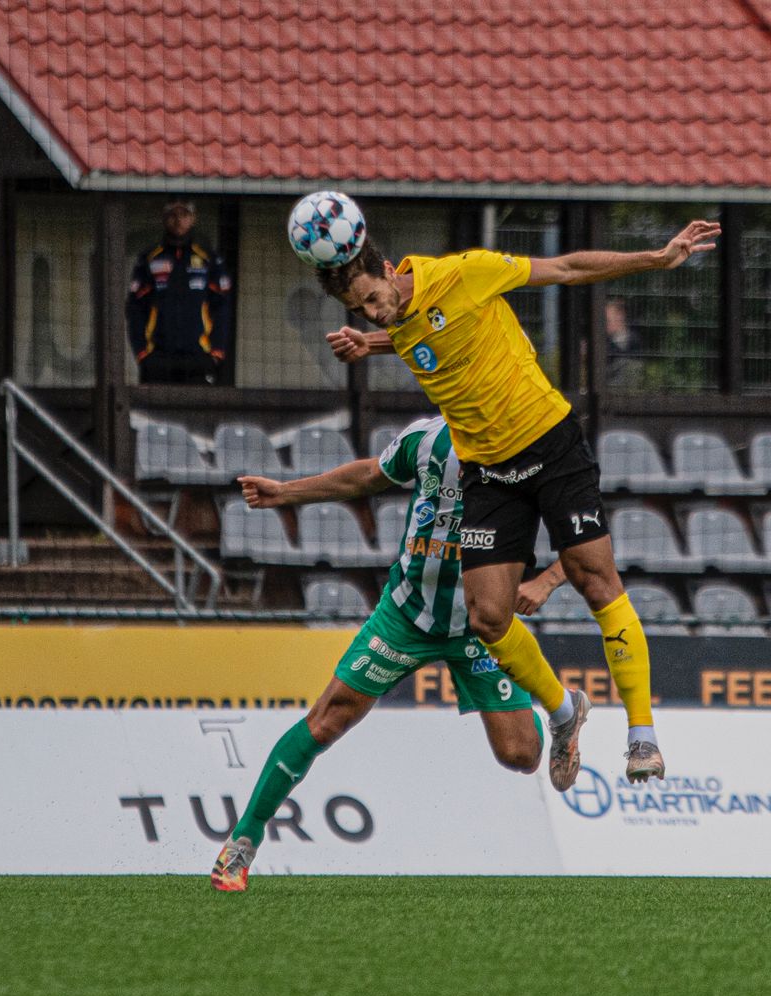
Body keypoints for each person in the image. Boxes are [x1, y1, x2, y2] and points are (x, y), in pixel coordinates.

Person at [317, 220, 721, 784]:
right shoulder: (398, 319)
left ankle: (642, 736)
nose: (373, 313)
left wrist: (656, 258)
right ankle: (564, 711)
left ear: (390, 271)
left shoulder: (465, 273)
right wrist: (371, 342)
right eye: (359, 311)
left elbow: (568, 268)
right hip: (488, 470)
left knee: (595, 579)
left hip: (549, 443)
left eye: (371, 300)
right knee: (487, 617)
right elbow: (418, 331)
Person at [211, 415, 569, 890]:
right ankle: (242, 844)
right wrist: (286, 493)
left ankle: (564, 712)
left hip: (482, 624)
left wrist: (545, 582)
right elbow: (365, 475)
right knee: (327, 719)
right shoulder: (426, 438)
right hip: (407, 615)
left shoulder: (530, 446)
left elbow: (588, 533)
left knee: (521, 754)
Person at [125, 201, 233, 385]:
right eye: (173, 215)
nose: (178, 221)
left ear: (193, 218)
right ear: (165, 218)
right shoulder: (149, 258)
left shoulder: (209, 259)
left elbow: (222, 307)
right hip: (158, 357)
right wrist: (142, 353)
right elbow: (135, 308)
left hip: (199, 357)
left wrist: (216, 352)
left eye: (184, 215)